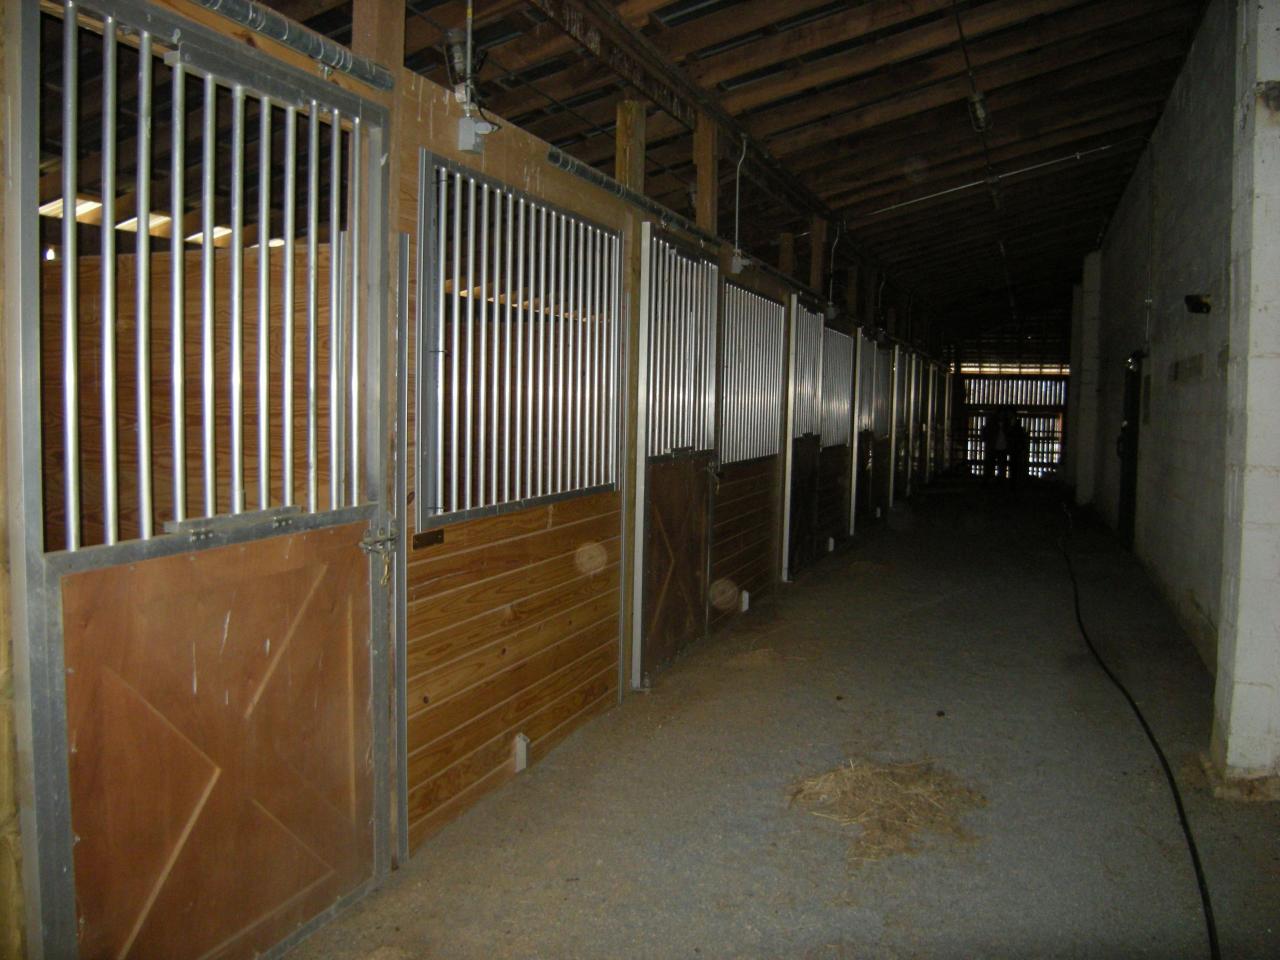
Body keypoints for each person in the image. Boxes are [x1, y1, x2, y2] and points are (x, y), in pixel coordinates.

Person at [981, 409, 1011, 481]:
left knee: (1001, 466)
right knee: (991, 465)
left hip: (1001, 448)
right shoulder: (993, 423)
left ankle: (999, 480)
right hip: (994, 447)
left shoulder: (1006, 424)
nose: (1002, 415)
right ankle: (990, 480)